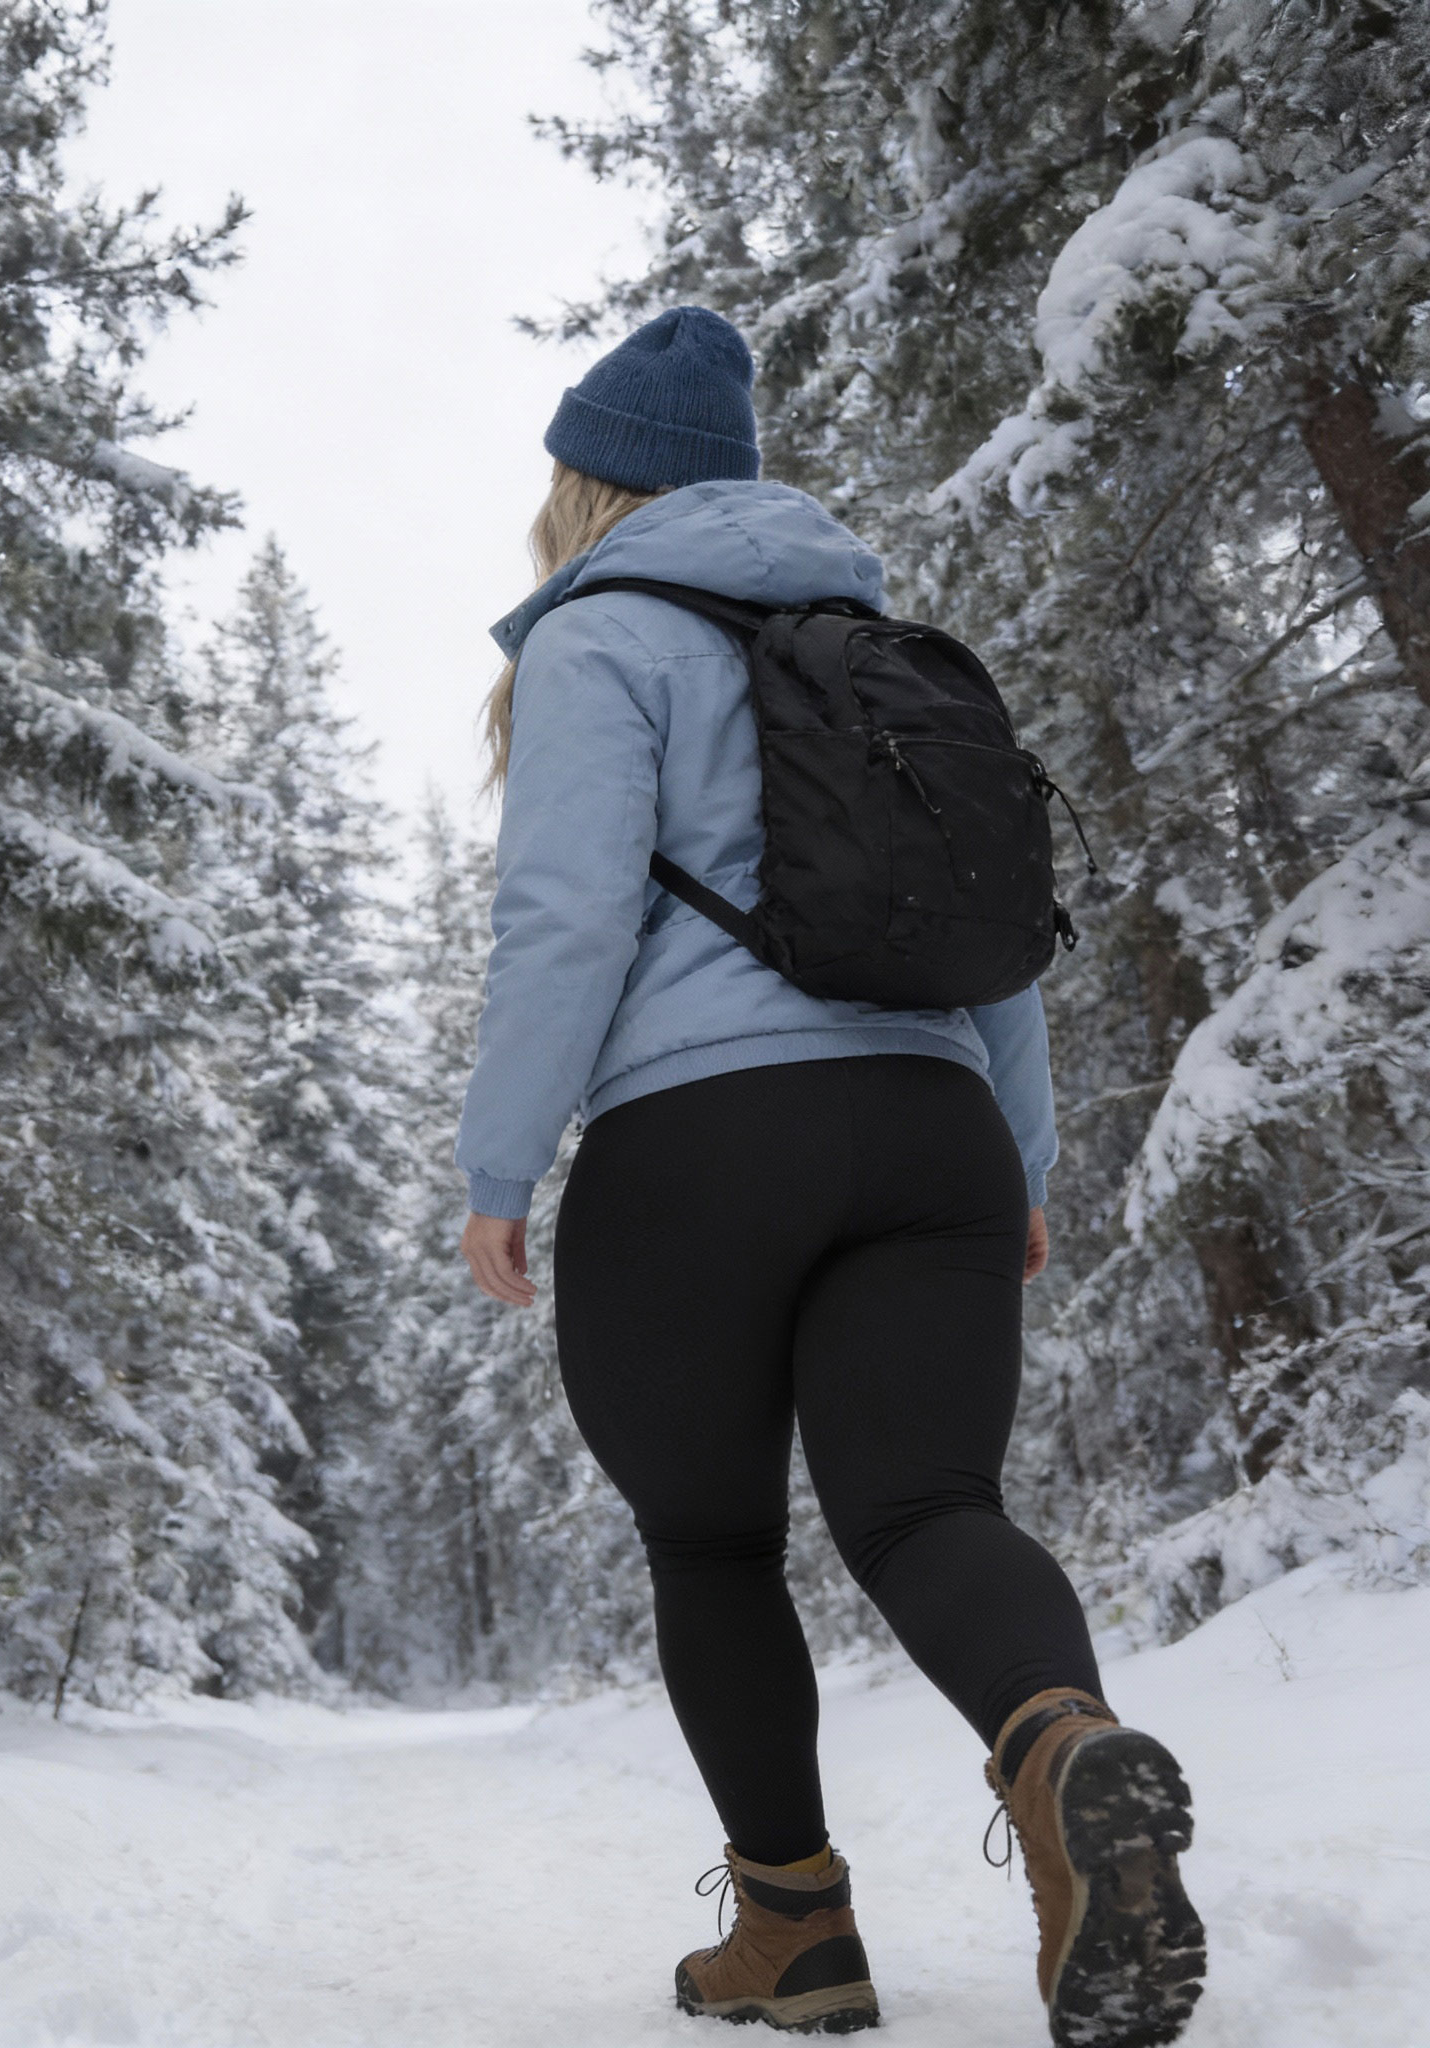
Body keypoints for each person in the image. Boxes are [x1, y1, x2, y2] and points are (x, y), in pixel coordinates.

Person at [455, 307, 1206, 2046]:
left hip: (699, 1145)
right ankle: (1063, 1748)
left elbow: (564, 919)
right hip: (930, 1127)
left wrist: (503, 1162)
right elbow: (999, 943)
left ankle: (794, 1931)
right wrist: (1014, 1161)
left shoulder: (601, 637)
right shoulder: (887, 650)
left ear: (588, 482)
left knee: (713, 1542)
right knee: (931, 1509)